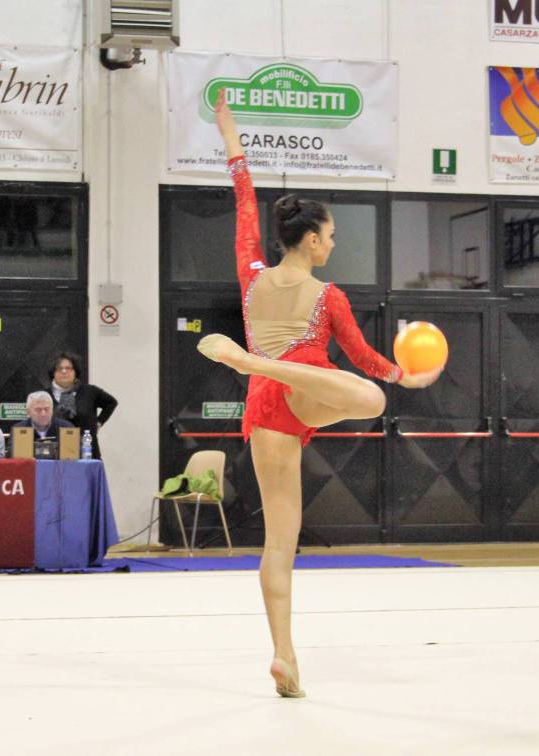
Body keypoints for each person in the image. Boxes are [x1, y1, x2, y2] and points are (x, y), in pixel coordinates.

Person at [196, 91, 442, 698]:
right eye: (329, 235)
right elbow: (360, 359)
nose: (332, 243)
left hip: (264, 402)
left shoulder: (251, 275)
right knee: (374, 402)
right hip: (302, 386)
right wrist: (400, 376)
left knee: (280, 544)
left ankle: (285, 657)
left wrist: (228, 131)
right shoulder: (329, 297)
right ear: (309, 240)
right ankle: (258, 361)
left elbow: (244, 200)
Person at [47, 351, 117, 459]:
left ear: (75, 371)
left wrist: (99, 422)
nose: (64, 371)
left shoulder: (90, 392)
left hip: (87, 452)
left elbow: (111, 402)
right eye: (59, 368)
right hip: (55, 456)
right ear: (53, 373)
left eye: (69, 368)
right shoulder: (43, 396)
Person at [9, 390, 75, 454]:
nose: (43, 414)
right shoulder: (18, 429)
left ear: (52, 410)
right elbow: (13, 454)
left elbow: (74, 453)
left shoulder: (66, 428)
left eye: (47, 409)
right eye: (38, 410)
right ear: (28, 412)